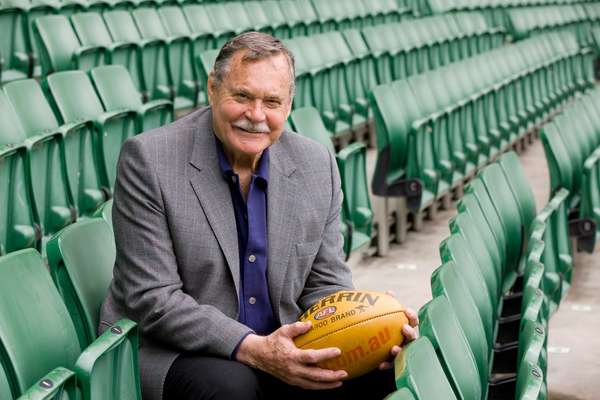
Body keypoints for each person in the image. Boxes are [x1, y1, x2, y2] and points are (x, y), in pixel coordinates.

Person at [99, 31, 418, 400]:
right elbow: (153, 299)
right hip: (174, 348)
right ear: (213, 89)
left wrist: (372, 325)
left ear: (288, 105)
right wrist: (253, 348)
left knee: (385, 369)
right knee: (232, 388)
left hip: (282, 340)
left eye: (271, 101)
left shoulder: (316, 164)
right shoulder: (150, 160)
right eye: (242, 96)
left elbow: (326, 283)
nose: (256, 115)